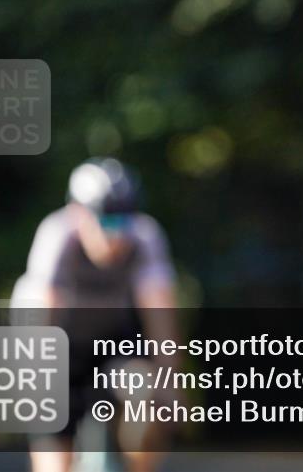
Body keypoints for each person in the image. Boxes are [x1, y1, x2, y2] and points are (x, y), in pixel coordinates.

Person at [11, 157, 179, 472]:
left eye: (123, 222)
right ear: (78, 214)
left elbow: (160, 314)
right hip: (58, 351)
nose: (115, 236)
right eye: (105, 222)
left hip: (116, 350)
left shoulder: (145, 237)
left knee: (149, 397)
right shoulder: (57, 235)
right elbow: (42, 312)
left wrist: (170, 385)